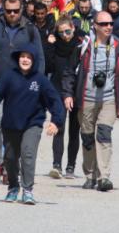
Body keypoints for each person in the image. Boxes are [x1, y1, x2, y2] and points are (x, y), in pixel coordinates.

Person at [0, 44, 64, 205]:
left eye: (29, 57)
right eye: (22, 56)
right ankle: (13, 187)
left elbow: (54, 101)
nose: (25, 60)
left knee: (28, 154)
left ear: (34, 60)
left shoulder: (40, 80)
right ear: (18, 59)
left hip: (33, 124)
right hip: (11, 124)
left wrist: (56, 121)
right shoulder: (9, 76)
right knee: (10, 158)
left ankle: (27, 190)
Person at [0, 0, 45, 184]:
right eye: (8, 11)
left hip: (22, 85)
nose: (12, 14)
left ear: (21, 9)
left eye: (15, 10)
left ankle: (10, 166)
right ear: (2, 10)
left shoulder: (30, 30)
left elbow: (39, 60)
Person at [69, 12, 119, 192]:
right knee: (87, 137)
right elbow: (70, 71)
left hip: (109, 99)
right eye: (104, 24)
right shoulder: (84, 46)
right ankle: (90, 175)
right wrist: (67, 94)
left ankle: (104, 177)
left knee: (103, 134)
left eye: (110, 23)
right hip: (86, 98)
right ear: (95, 25)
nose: (108, 27)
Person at [44, 17, 80, 179]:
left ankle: (70, 166)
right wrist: (49, 45)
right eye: (62, 32)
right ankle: (56, 164)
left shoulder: (81, 43)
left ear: (73, 28)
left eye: (68, 31)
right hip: (57, 89)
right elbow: (48, 65)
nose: (65, 35)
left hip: (76, 90)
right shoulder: (55, 45)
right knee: (58, 126)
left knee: (74, 130)